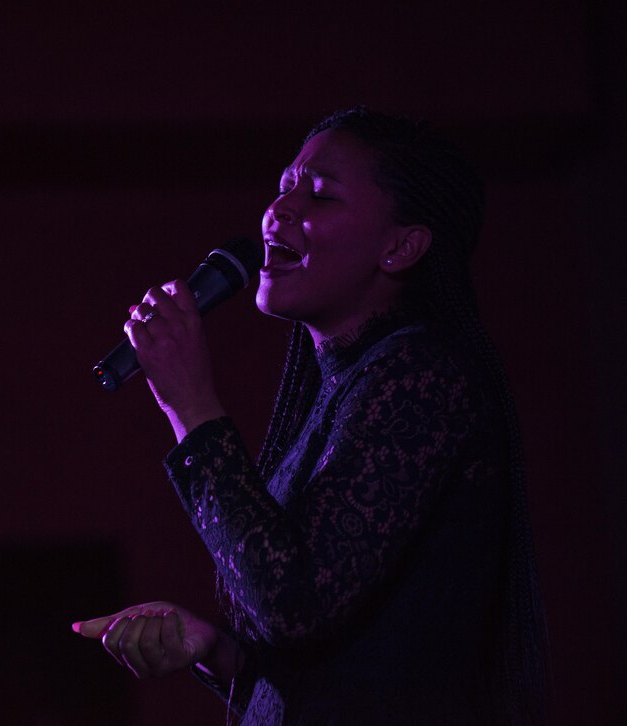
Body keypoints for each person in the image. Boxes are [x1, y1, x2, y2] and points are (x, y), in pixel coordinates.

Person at [72, 107, 548, 725]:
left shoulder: (425, 380)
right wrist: (213, 648)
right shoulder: (344, 389)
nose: (281, 210)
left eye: (319, 194)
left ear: (401, 246)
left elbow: (295, 604)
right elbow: (329, 655)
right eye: (285, 185)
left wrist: (190, 401)